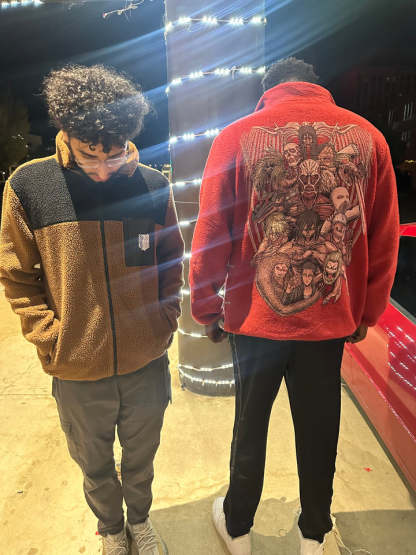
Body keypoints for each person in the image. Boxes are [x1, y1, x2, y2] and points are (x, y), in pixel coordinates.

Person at [189, 57, 399, 555]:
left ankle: (238, 529)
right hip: (328, 318)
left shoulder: (235, 136)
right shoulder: (370, 138)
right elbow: (384, 238)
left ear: (267, 91)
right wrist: (366, 313)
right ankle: (313, 536)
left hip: (255, 318)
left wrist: (205, 306)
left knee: (249, 426)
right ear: (316, 86)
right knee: (320, 428)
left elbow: (211, 233)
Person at [0, 64, 184, 555]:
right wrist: (51, 337)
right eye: (88, 155)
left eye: (114, 153)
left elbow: (171, 259)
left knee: (142, 456)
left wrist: (165, 319)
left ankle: (139, 520)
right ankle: (111, 528)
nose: (103, 170)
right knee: (93, 461)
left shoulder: (151, 184)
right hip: (77, 366)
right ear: (65, 134)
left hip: (146, 360)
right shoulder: (30, 185)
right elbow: (16, 274)